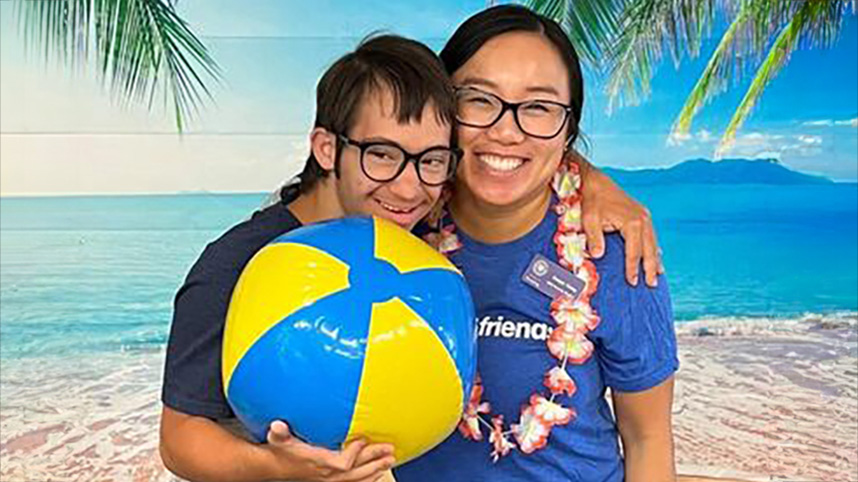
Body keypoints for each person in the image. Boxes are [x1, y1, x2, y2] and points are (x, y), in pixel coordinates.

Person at [159, 33, 662, 482]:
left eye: (431, 160)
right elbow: (178, 441)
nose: (407, 185)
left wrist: (591, 178)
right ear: (327, 149)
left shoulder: (412, 227)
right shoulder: (243, 261)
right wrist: (277, 468)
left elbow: (510, 144)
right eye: (381, 154)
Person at [394, 6, 678, 482]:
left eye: (539, 107)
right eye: (479, 100)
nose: (506, 131)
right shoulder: (397, 227)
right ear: (442, 109)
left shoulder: (615, 252)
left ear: (568, 130)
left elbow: (648, 440)